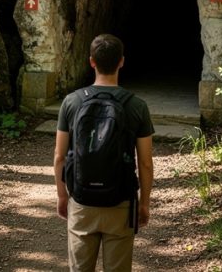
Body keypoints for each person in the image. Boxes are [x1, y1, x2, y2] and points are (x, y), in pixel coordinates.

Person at [53, 34, 154, 272]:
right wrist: (144, 204)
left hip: (82, 200)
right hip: (120, 202)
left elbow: (59, 156)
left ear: (91, 62)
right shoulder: (137, 106)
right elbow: (146, 162)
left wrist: (62, 196)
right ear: (121, 62)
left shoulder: (71, 102)